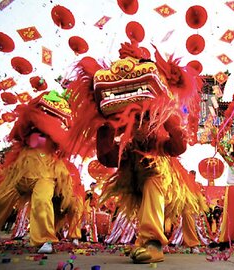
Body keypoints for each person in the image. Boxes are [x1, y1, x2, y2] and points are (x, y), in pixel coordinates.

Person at [63, 40, 202, 263]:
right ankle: (144, 241)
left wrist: (171, 123)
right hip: (133, 171)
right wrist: (105, 131)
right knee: (147, 199)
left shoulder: (158, 129)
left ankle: (156, 243)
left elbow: (176, 148)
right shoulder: (125, 139)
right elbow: (109, 159)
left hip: (160, 169)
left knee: (167, 195)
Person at [0, 90, 75, 253]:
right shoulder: (27, 127)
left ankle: (44, 240)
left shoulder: (60, 135)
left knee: (42, 201)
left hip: (46, 173)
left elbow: (65, 147)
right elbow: (16, 134)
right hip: (20, 172)